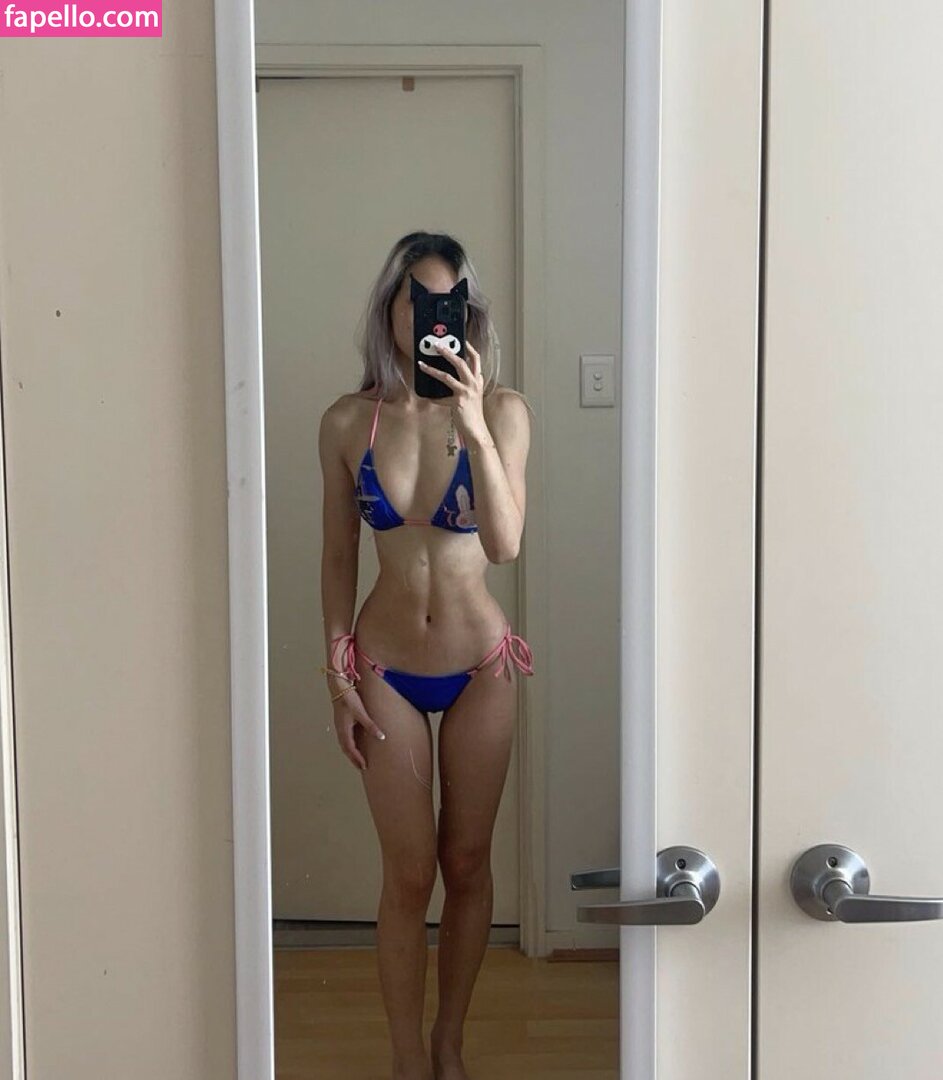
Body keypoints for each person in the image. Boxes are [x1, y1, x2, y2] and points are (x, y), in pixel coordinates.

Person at [317, 231, 535, 1080]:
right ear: (390, 308)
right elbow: (338, 555)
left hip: (481, 665)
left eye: (448, 301)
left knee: (467, 862)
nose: (430, 316)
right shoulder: (348, 421)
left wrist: (474, 428)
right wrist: (336, 674)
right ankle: (407, 1058)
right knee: (408, 875)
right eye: (416, 298)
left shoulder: (504, 411)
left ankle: (449, 1042)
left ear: (466, 312)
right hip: (384, 670)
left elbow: (505, 545)